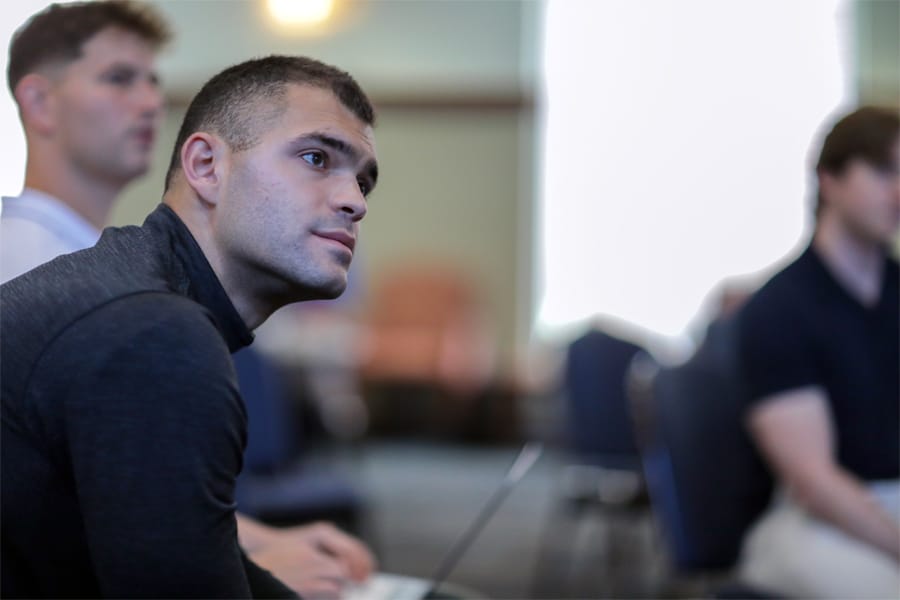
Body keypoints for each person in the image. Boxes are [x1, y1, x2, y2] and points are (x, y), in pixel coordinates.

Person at [1, 5, 376, 597]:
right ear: (205, 166)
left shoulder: (134, 286)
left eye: (364, 180)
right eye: (316, 158)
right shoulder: (153, 331)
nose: (355, 200)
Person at [735, 106, 900, 598]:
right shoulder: (779, 310)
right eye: (883, 171)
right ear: (829, 181)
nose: (898, 192)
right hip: (818, 519)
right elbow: (813, 481)